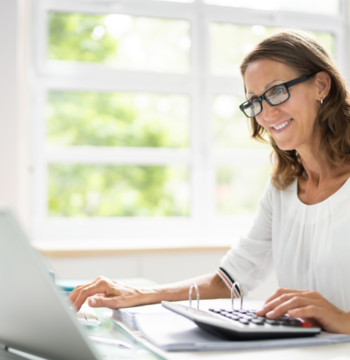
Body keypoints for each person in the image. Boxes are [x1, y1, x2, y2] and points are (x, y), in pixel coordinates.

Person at [69, 29, 350, 334]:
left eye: (277, 91)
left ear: (321, 85)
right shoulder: (282, 189)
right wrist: (137, 295)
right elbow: (229, 280)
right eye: (255, 101)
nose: (267, 112)